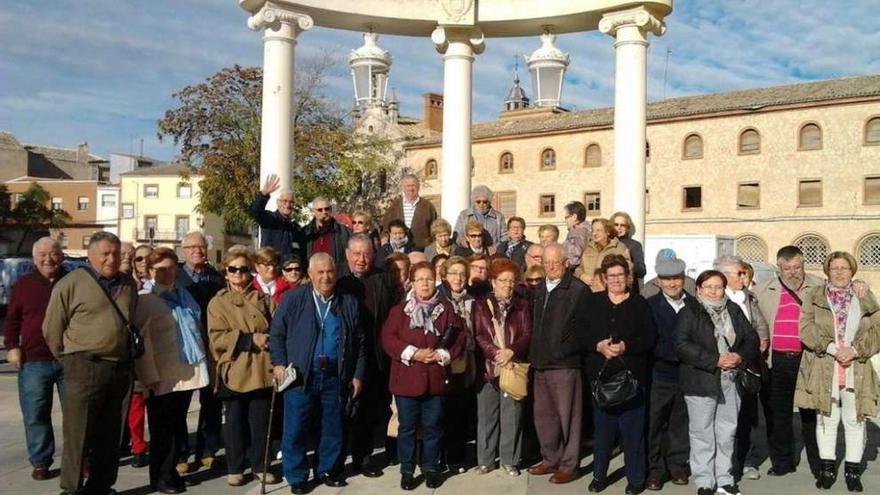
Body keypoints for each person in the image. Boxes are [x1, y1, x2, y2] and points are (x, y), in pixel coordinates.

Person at [42, 231, 137, 495]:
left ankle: (101, 485)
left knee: (111, 433)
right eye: (105, 253)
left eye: (116, 253)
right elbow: (52, 328)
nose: (111, 259)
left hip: (119, 367)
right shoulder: (71, 282)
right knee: (78, 432)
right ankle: (71, 488)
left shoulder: (128, 283)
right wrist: (69, 358)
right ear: (91, 255)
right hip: (84, 365)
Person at [270, 253, 366, 494]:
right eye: (320, 272)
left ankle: (327, 470)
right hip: (301, 374)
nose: (325, 277)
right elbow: (277, 334)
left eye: (329, 272)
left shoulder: (348, 302)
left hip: (335, 373)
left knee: (332, 426)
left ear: (336, 273)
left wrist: (357, 375)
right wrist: (279, 363)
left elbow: (360, 343)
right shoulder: (293, 299)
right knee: (296, 426)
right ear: (310, 274)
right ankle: (297, 475)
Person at [796, 252, 880, 492]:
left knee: (854, 420)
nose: (840, 272)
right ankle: (827, 468)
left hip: (857, 366)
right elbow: (805, 329)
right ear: (827, 271)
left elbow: (878, 329)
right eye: (835, 268)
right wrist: (833, 349)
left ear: (852, 271)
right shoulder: (813, 296)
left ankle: (853, 471)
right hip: (825, 364)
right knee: (827, 418)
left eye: (845, 268)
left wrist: (854, 350)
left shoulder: (865, 295)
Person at [382, 261, 466, 490]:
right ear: (412, 282)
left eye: (429, 278)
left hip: (436, 379)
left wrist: (441, 354)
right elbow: (388, 339)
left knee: (433, 427)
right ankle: (407, 470)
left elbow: (460, 339)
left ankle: (431, 468)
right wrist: (415, 353)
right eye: (420, 279)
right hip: (406, 380)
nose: (425, 283)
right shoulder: (400, 310)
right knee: (407, 428)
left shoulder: (445, 309)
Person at [134, 247, 210, 494]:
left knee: (177, 427)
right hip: (161, 375)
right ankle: (161, 476)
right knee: (161, 430)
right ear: (150, 271)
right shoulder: (146, 299)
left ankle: (170, 472)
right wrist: (149, 377)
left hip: (185, 371)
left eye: (171, 267)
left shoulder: (184, 295)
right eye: (161, 269)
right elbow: (142, 343)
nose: (167, 273)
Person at [676, 270, 759, 495]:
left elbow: (752, 339)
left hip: (730, 380)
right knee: (702, 433)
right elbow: (682, 345)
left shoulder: (733, 309)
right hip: (701, 380)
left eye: (718, 287)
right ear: (699, 289)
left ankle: (725, 478)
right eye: (708, 287)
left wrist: (738, 356)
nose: (714, 291)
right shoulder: (689, 311)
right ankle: (704, 480)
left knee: (726, 431)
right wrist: (715, 360)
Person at [585, 255, 657, 494]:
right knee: (603, 432)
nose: (616, 279)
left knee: (633, 433)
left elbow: (649, 338)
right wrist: (598, 346)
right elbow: (578, 334)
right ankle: (599, 475)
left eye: (620, 275)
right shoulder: (592, 302)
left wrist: (626, 346)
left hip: (631, 379)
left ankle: (635, 479)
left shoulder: (639, 304)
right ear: (604, 279)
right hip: (602, 378)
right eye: (611, 275)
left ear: (628, 277)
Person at [207, 246, 279, 487]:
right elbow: (216, 337)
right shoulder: (217, 303)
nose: (238, 273)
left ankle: (261, 464)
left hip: (261, 368)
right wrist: (250, 339)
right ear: (226, 272)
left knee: (260, 421)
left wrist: (270, 340)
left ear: (251, 272)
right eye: (233, 269)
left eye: (243, 269)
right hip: (235, 369)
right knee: (235, 423)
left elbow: (279, 328)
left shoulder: (265, 300)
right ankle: (235, 467)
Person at [754, 245, 825, 478]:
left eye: (797, 267)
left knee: (811, 413)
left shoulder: (820, 287)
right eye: (787, 268)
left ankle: (819, 464)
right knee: (777, 413)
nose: (793, 272)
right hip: (778, 361)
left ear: (804, 265)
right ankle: (783, 462)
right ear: (779, 268)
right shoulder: (763, 290)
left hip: (809, 360)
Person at [527, 243, 591, 484]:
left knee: (569, 419)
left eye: (555, 262)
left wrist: (563, 349)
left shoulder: (577, 289)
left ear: (566, 263)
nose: (551, 266)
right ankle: (550, 458)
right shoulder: (540, 288)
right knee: (544, 417)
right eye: (546, 262)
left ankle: (569, 465)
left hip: (565, 364)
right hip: (540, 362)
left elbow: (582, 328)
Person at [4, 237, 66, 481]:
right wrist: (12, 347)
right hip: (33, 360)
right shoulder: (23, 285)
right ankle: (41, 460)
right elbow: (11, 320)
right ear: (34, 258)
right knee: (35, 414)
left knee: (76, 413)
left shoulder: (73, 281)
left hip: (69, 358)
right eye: (42, 254)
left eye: (53, 253)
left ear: (61, 256)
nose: (48, 258)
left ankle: (80, 458)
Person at [335, 235, 396, 478]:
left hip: (373, 355)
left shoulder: (381, 279)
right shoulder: (338, 278)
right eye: (357, 254)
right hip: (343, 355)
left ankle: (365, 457)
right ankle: (336, 460)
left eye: (366, 254)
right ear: (348, 254)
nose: (362, 259)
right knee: (340, 411)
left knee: (368, 411)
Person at [473, 258, 533, 476]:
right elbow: (479, 334)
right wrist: (496, 353)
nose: (507, 285)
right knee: (487, 415)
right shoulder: (481, 304)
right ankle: (486, 460)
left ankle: (510, 460)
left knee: (512, 416)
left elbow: (527, 334)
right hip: (490, 368)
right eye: (503, 280)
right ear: (493, 281)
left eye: (511, 280)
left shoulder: (522, 305)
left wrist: (512, 351)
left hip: (513, 366)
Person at [714, 256, 770, 481]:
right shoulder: (715, 297)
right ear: (726, 276)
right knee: (722, 419)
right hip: (722, 367)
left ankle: (747, 460)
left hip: (748, 365)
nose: (744, 277)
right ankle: (722, 465)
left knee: (747, 416)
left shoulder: (749, 297)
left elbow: (760, 324)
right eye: (740, 273)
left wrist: (762, 341)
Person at [175, 232, 225, 473]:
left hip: (211, 346)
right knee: (181, 404)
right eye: (192, 246)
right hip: (184, 349)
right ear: (183, 250)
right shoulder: (175, 277)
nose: (197, 250)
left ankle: (207, 450)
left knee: (211, 402)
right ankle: (181, 453)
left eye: (201, 246)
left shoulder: (218, 279)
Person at [645, 254, 694, 490]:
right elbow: (649, 340)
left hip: (687, 374)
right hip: (660, 373)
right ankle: (655, 469)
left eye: (676, 278)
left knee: (679, 422)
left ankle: (677, 465)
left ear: (683, 279)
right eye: (667, 279)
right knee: (655, 423)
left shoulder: (694, 305)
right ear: (659, 281)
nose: (672, 283)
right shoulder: (651, 305)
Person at [438, 256, 477, 473]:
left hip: (464, 361)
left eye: (462, 273)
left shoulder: (472, 300)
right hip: (442, 361)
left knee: (459, 410)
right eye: (453, 273)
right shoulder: (438, 299)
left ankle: (456, 456)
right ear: (445, 275)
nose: (458, 278)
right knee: (441, 411)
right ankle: (440, 456)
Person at [248, 173, 307, 259]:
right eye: (285, 201)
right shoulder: (269, 219)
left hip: (289, 270)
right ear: (278, 202)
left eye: (291, 202)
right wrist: (264, 194)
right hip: (271, 268)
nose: (288, 204)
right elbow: (255, 211)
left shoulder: (295, 228)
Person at [381, 173, 439, 250]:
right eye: (408, 186)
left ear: (418, 187)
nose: (410, 189)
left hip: (421, 248)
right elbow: (386, 227)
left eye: (413, 185)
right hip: (397, 249)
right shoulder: (394, 206)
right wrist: (384, 243)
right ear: (403, 188)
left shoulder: (428, 206)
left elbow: (434, 229)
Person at [578, 217, 632, 289]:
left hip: (610, 294)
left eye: (598, 230)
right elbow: (578, 269)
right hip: (588, 292)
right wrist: (582, 276)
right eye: (593, 230)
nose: (594, 233)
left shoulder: (619, 248)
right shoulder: (587, 248)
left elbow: (628, 274)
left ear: (607, 232)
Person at [305, 196, 351, 267]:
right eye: (320, 210)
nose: (324, 212)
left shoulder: (343, 232)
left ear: (331, 209)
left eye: (327, 209)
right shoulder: (305, 233)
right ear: (313, 211)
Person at [611, 212, 647, 293]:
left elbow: (642, 271)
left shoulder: (634, 245)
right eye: (616, 225)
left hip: (627, 290)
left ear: (627, 228)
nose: (619, 228)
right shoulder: (607, 242)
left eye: (622, 225)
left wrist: (631, 265)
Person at [563, 202, 591, 268]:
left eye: (566, 217)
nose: (565, 221)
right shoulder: (587, 230)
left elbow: (573, 259)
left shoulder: (575, 233)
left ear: (574, 217)